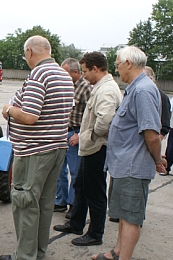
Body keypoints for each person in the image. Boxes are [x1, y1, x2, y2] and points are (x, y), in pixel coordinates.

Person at [0, 35, 73, 260]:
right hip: (56, 148)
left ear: (30, 52)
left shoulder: (39, 74)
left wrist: (9, 109)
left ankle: (24, 257)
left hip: (34, 151)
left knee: (25, 202)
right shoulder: (63, 74)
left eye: (24, 54)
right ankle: (38, 251)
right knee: (44, 203)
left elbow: (30, 116)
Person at [91, 46, 166, 260]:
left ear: (129, 63)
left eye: (118, 64)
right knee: (123, 213)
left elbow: (152, 134)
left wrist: (157, 160)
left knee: (131, 216)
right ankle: (118, 252)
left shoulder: (143, 91)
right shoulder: (134, 89)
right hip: (124, 164)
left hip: (134, 165)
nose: (116, 68)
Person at [53, 52, 122, 246]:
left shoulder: (107, 89)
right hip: (90, 147)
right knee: (80, 187)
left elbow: (105, 120)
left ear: (95, 69)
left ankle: (95, 233)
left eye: (85, 71)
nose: (83, 75)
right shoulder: (100, 87)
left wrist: (88, 136)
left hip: (96, 148)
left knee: (95, 192)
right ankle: (76, 223)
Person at [54, 58, 91, 219]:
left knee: (75, 172)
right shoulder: (64, 86)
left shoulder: (85, 88)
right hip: (61, 132)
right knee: (58, 170)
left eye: (65, 72)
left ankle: (73, 204)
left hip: (74, 134)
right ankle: (60, 201)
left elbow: (91, 115)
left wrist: (80, 134)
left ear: (76, 72)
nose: (62, 75)